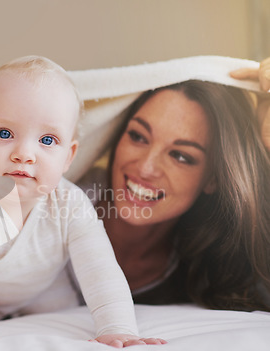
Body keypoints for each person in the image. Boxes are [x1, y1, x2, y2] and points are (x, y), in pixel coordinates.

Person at [0, 56, 167, 351]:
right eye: (4, 134)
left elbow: (100, 269)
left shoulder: (70, 204)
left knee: (67, 314)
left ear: (68, 156)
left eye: (47, 139)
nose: (24, 153)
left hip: (44, 292)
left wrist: (117, 328)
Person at [70, 59, 270, 311]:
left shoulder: (213, 264)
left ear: (213, 179)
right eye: (138, 136)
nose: (146, 168)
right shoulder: (47, 209)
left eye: (180, 156)